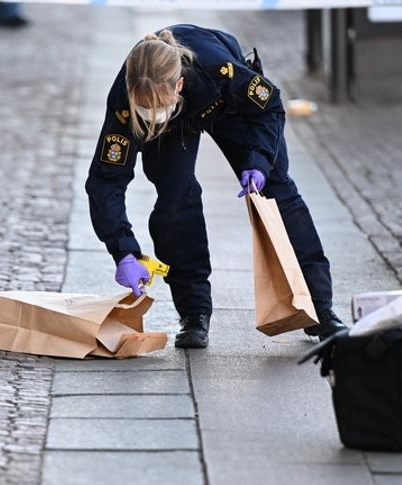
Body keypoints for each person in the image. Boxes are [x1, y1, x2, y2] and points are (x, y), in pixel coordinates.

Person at [85, 25, 346, 348]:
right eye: (145, 110)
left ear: (179, 84)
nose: (152, 113)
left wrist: (259, 161)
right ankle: (194, 313)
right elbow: (105, 181)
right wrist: (123, 250)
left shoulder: (221, 70)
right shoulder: (127, 104)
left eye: (158, 106)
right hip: (170, 130)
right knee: (176, 199)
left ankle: (320, 308)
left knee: (277, 191)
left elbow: (270, 106)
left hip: (227, 105)